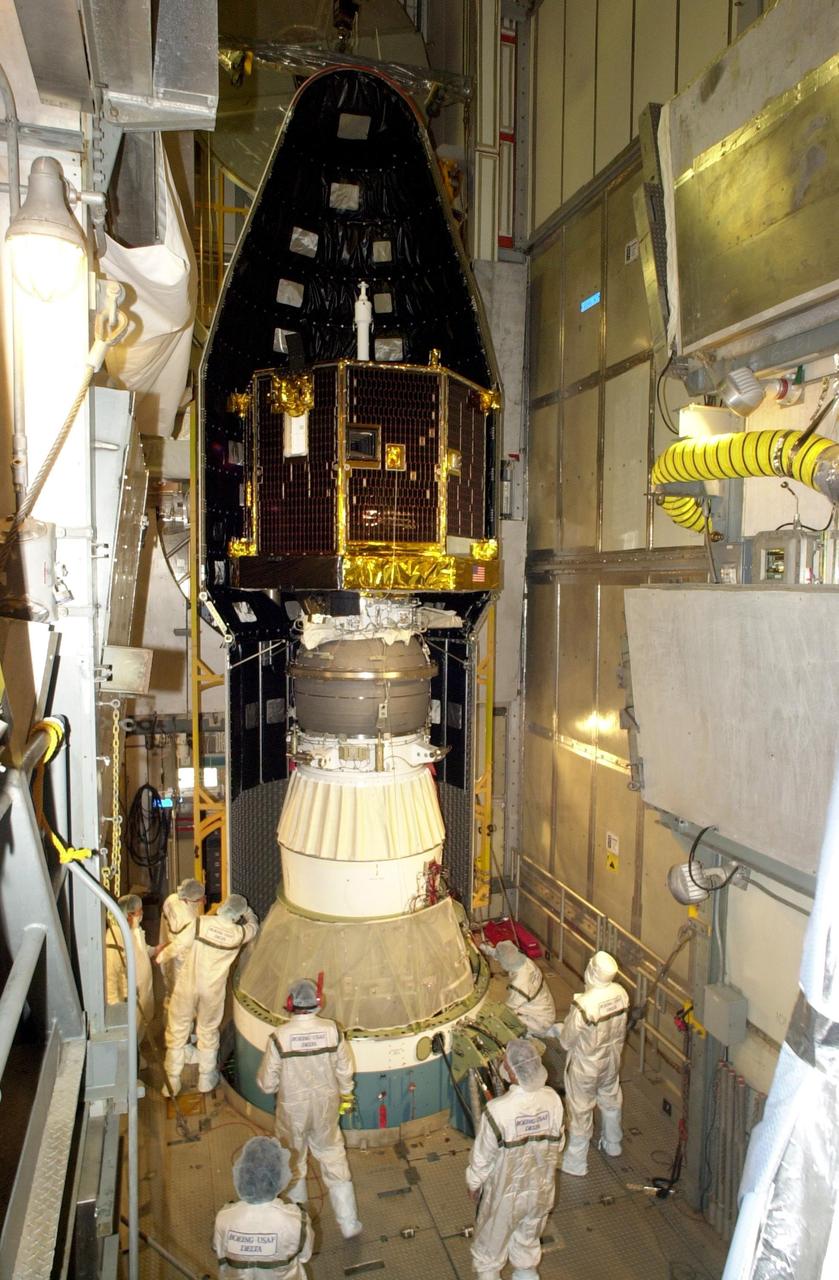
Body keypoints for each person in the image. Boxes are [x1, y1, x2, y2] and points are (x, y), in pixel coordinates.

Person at [256, 977, 362, 1240]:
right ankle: (349, 1223)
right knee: (333, 1156)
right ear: (317, 1002)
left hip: (292, 1112)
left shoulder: (279, 1037)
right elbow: (345, 1071)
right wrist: (346, 1096)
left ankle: (300, 1228)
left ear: (290, 1003)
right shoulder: (333, 1031)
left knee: (293, 1165)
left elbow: (267, 1085)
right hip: (326, 1106)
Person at [465, 1038, 564, 1280]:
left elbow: (482, 1158)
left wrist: (473, 1182)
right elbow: (558, 1144)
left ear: (511, 1069)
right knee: (526, 1250)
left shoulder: (498, 1110)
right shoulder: (552, 1100)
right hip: (541, 1192)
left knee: (489, 1257)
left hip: (504, 1196)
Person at [158, 892, 259, 1095]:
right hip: (212, 992)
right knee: (208, 1031)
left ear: (223, 908)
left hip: (188, 984)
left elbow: (178, 946)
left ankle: (172, 1082)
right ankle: (206, 1079)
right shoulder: (238, 934)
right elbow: (253, 928)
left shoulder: (200, 923)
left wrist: (161, 957)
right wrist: (248, 912)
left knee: (177, 1028)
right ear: (237, 914)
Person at [558, 950, 629, 1177]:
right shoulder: (621, 994)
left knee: (580, 1109)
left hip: (586, 1066)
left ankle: (576, 1162)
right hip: (612, 1060)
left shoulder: (585, 1005)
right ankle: (613, 1143)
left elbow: (567, 1040)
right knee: (611, 1099)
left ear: (591, 971)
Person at [213, 1136, 313, 1279]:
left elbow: (219, 1252)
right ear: (280, 1176)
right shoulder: (297, 1222)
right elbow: (305, 1256)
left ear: (242, 1173)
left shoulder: (223, 1218)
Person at [105, 893, 156, 1045]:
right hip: (131, 996)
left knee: (140, 1027)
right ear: (128, 915)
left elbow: (141, 950)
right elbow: (111, 975)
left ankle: (137, 1055)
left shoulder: (134, 929)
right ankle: (130, 1061)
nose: (141, 915)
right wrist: (116, 1005)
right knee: (130, 1031)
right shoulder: (115, 938)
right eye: (138, 912)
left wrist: (156, 950)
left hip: (143, 990)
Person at [482, 939, 556, 1035]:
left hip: (538, 1021)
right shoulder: (526, 962)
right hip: (546, 1009)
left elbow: (508, 1009)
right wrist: (483, 947)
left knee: (501, 1022)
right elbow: (501, 954)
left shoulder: (519, 984)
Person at [159, 877, 206, 1000]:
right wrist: (162, 956)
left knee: (169, 974)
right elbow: (181, 944)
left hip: (168, 937)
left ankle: (170, 996)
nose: (202, 901)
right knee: (181, 983)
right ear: (188, 900)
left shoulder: (172, 898)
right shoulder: (187, 918)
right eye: (199, 900)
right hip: (180, 950)